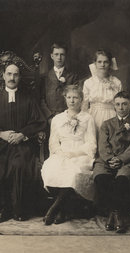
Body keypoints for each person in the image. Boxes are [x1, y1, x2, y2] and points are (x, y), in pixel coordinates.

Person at [0, 62, 47, 223]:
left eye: (15, 74)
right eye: (9, 74)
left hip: (22, 144)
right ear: (3, 76)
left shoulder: (28, 99)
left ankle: (18, 209)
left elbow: (39, 122)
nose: (12, 78)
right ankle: (0, 210)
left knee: (19, 165)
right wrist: (0, 133)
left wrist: (22, 134)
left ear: (19, 77)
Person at [41, 85, 96, 225]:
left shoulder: (88, 118)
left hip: (81, 153)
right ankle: (64, 210)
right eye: (69, 97)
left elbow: (91, 143)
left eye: (76, 97)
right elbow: (53, 142)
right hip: (62, 152)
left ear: (82, 100)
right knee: (50, 169)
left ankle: (55, 208)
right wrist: (61, 153)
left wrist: (74, 153)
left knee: (73, 172)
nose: (72, 101)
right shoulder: (57, 119)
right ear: (65, 99)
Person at [93, 91, 130, 233]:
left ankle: (114, 216)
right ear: (114, 106)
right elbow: (103, 146)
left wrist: (121, 159)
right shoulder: (106, 124)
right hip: (106, 161)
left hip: (128, 161)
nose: (121, 108)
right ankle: (116, 214)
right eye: (118, 104)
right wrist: (110, 159)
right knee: (101, 178)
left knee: (121, 180)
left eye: (124, 104)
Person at [82, 49, 122, 133]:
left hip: (112, 116)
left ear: (110, 63)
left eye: (105, 62)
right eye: (99, 62)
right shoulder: (89, 83)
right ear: (95, 63)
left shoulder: (116, 82)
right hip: (93, 116)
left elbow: (120, 104)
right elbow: (84, 106)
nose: (102, 65)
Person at [40, 43, 77, 121]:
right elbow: (41, 99)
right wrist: (49, 117)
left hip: (68, 117)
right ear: (52, 56)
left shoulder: (73, 77)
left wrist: (68, 116)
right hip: (49, 118)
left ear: (65, 56)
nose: (59, 58)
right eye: (56, 54)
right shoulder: (44, 77)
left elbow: (76, 98)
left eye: (62, 55)